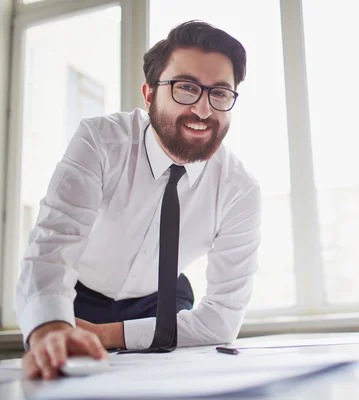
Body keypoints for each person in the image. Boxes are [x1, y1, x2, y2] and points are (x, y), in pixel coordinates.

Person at [15, 20, 261, 380]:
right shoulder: (100, 142)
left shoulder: (239, 190)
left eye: (219, 93)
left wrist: (105, 334)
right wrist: (52, 328)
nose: (203, 110)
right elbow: (52, 244)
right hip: (77, 293)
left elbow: (222, 318)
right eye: (185, 88)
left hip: (161, 304)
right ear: (149, 95)